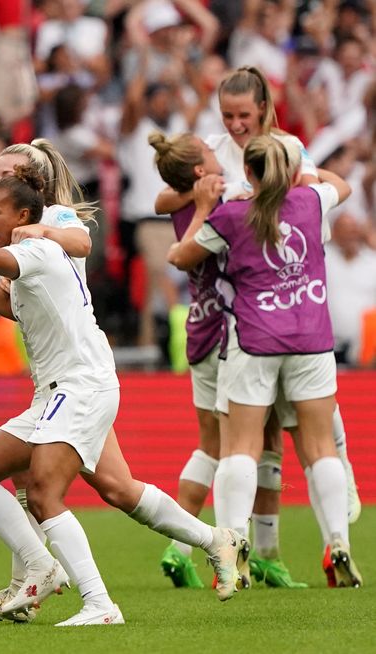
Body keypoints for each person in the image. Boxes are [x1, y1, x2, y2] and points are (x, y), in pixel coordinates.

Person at [0, 166, 247, 628]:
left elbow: (14, 260)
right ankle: (213, 541)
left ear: (25, 206)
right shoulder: (30, 249)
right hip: (56, 392)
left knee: (45, 490)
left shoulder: (45, 241)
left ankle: (96, 603)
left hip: (80, 385)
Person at [156, 65, 361, 585]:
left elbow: (179, 254)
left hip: (248, 331)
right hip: (304, 324)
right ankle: (330, 535)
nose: (235, 124)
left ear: (264, 110)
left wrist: (219, 204)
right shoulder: (296, 186)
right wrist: (283, 191)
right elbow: (334, 187)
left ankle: (237, 552)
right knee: (310, 441)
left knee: (236, 445)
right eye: (228, 115)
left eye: (243, 115)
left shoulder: (232, 209)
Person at [0, 138, 95, 622]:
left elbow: (82, 243)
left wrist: (26, 240)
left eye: (5, 173)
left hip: (80, 373)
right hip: (52, 378)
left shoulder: (55, 218)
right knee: (13, 478)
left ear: (29, 184)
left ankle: (213, 539)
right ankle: (26, 588)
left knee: (103, 491)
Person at [149, 131, 229, 589]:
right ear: (199, 170)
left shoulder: (177, 199)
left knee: (210, 445)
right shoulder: (213, 203)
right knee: (246, 445)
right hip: (232, 330)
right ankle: (241, 550)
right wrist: (203, 204)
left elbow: (163, 199)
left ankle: (180, 550)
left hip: (200, 324)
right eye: (210, 152)